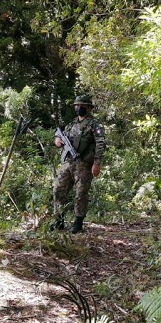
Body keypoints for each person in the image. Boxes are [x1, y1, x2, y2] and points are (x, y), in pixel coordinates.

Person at [52, 95, 106, 233]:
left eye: (82, 105)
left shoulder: (95, 124)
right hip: (67, 162)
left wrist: (97, 163)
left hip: (84, 164)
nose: (79, 107)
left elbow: (101, 143)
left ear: (88, 108)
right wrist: (57, 140)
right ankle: (59, 220)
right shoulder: (71, 124)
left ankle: (78, 222)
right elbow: (59, 136)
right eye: (77, 105)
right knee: (58, 190)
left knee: (81, 193)